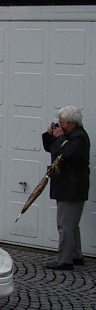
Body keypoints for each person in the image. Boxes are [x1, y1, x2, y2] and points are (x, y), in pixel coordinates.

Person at [41, 105, 90, 270]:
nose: (60, 125)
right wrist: (49, 135)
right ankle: (75, 255)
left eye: (62, 122)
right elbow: (51, 149)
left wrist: (61, 137)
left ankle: (65, 260)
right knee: (71, 224)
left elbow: (69, 153)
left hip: (72, 188)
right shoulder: (68, 136)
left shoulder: (79, 138)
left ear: (71, 123)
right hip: (67, 186)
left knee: (65, 225)